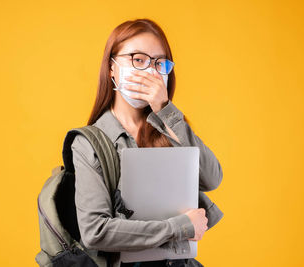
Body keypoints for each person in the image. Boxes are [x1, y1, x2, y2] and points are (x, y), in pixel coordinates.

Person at [71, 18, 223, 267]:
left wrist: (165, 109)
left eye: (159, 63)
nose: (150, 71)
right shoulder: (89, 143)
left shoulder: (168, 127)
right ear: (111, 67)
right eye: (138, 59)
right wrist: (180, 228)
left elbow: (211, 179)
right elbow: (95, 230)